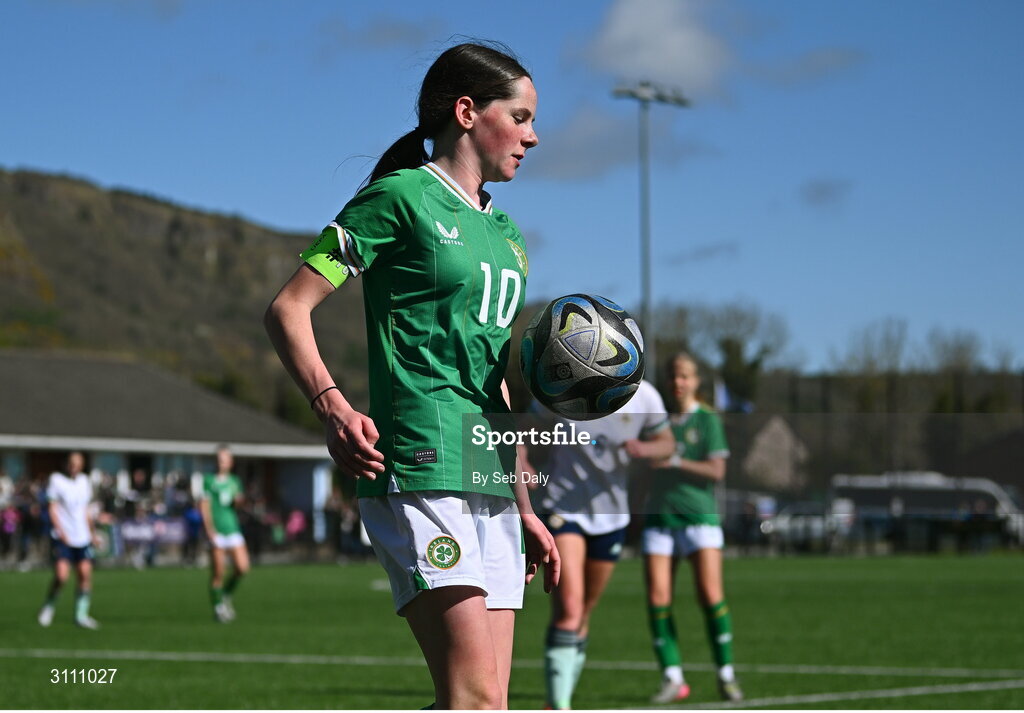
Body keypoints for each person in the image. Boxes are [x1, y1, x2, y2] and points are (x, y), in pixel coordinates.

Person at [264, 41, 559, 710]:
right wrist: (331, 404)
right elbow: (289, 308)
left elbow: (498, 380)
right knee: (475, 698)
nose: (533, 136)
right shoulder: (398, 198)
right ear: (467, 112)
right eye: (521, 117)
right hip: (421, 463)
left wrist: (524, 505)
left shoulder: (509, 235)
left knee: (486, 704)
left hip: (485, 472)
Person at [522, 380, 674, 710]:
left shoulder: (644, 394)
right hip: (563, 509)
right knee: (570, 608)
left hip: (612, 518)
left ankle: (562, 692)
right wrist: (524, 464)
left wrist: (644, 449)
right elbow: (523, 434)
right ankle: (557, 703)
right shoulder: (560, 384)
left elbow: (666, 443)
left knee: (584, 612)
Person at [642, 353, 743, 703]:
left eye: (684, 376)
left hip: (699, 519)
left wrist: (675, 461)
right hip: (659, 519)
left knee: (710, 596)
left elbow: (717, 471)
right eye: (673, 376)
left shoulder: (708, 420)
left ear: (696, 381)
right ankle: (672, 677)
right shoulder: (657, 420)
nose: (677, 382)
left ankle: (726, 674)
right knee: (657, 598)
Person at [37, 452, 100, 629]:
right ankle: (49, 606)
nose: (75, 467)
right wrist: (60, 530)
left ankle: (81, 615)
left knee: (84, 575)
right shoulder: (56, 480)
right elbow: (52, 508)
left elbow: (85, 511)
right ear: (66, 463)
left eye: (78, 463)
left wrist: (92, 533)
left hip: (82, 537)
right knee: (61, 576)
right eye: (72, 463)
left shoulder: (84, 482)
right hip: (64, 536)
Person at [200, 445, 250, 623]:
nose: (221, 462)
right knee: (218, 572)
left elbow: (237, 505)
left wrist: (239, 502)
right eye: (219, 459)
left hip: (232, 528)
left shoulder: (235, 481)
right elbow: (204, 507)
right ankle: (218, 608)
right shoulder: (208, 480)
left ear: (230, 462)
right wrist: (209, 530)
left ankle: (226, 594)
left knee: (242, 567)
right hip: (217, 531)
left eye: (225, 459)